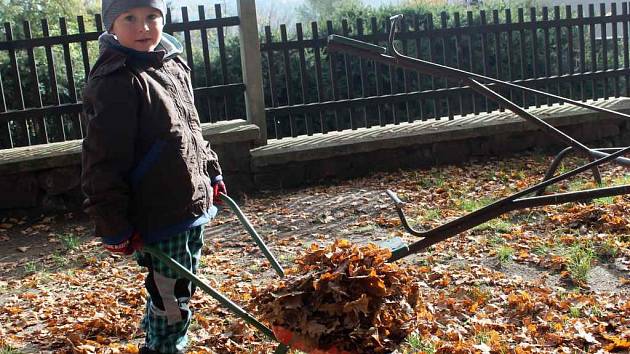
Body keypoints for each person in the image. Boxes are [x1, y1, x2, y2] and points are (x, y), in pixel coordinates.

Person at [81, 0, 226, 352]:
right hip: (157, 208)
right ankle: (164, 347)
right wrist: (113, 224)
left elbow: (190, 129)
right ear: (111, 26)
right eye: (129, 18)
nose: (143, 27)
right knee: (173, 290)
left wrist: (211, 170)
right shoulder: (117, 79)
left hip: (187, 201)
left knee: (175, 282)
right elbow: (103, 159)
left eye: (151, 17)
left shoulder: (171, 63)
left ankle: (158, 335)